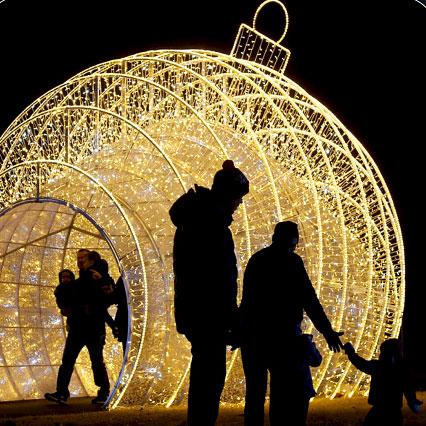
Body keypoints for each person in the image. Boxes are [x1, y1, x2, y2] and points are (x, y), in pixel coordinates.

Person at [169, 159, 249, 426]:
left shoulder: (194, 220)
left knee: (205, 374)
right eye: (238, 198)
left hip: (195, 312)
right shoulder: (211, 226)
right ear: (227, 195)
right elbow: (220, 279)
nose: (239, 205)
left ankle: (199, 422)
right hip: (208, 315)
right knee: (210, 378)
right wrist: (234, 320)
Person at [240, 221, 344, 425]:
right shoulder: (291, 262)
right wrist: (327, 331)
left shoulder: (258, 260)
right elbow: (309, 300)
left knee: (258, 394)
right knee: (277, 392)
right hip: (280, 337)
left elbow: (247, 302)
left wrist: (240, 330)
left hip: (255, 336)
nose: (292, 248)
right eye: (291, 244)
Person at [45, 250, 113, 405]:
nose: (80, 261)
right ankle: (61, 392)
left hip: (94, 327)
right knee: (67, 360)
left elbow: (106, 298)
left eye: (83, 258)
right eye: (78, 259)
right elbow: (68, 301)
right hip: (77, 327)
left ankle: (103, 391)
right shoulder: (77, 282)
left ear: (90, 261)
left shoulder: (97, 277)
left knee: (96, 361)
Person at [344, 339, 423, 426]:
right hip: (386, 410)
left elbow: (407, 386)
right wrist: (412, 400)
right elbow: (407, 387)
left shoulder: (394, 369)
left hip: (388, 411)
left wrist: (351, 353)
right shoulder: (394, 369)